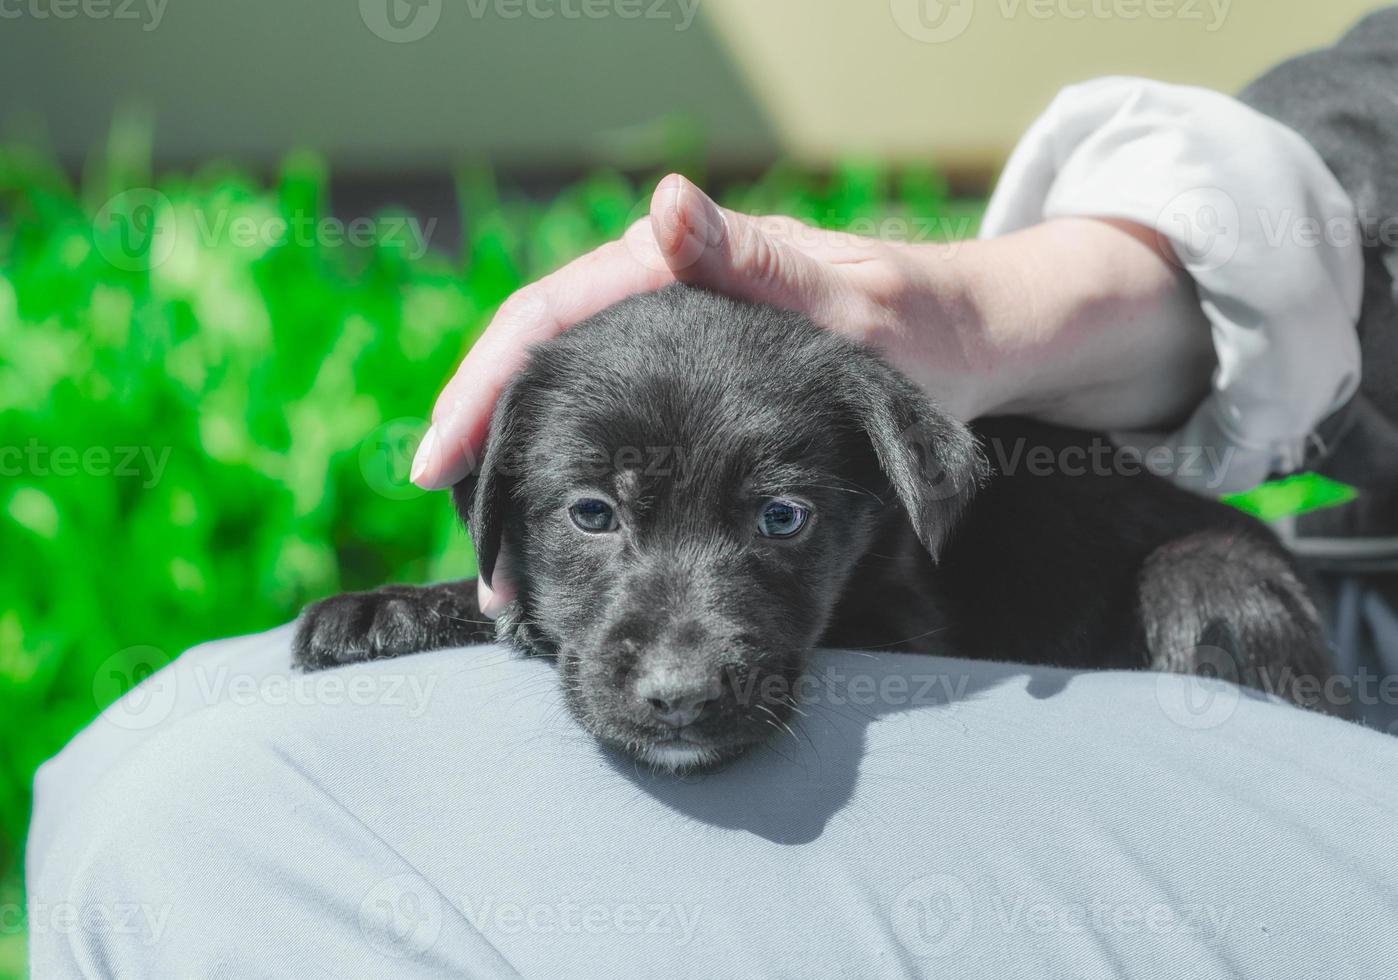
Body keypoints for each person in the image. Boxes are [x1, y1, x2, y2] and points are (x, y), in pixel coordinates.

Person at [29, 9, 1398, 976]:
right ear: (497, 507)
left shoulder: (957, 555)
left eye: (781, 519)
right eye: (593, 516)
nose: (678, 661)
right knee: (172, 750)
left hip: (1251, 701)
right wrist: (1027, 302)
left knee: (205, 822)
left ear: (892, 498)